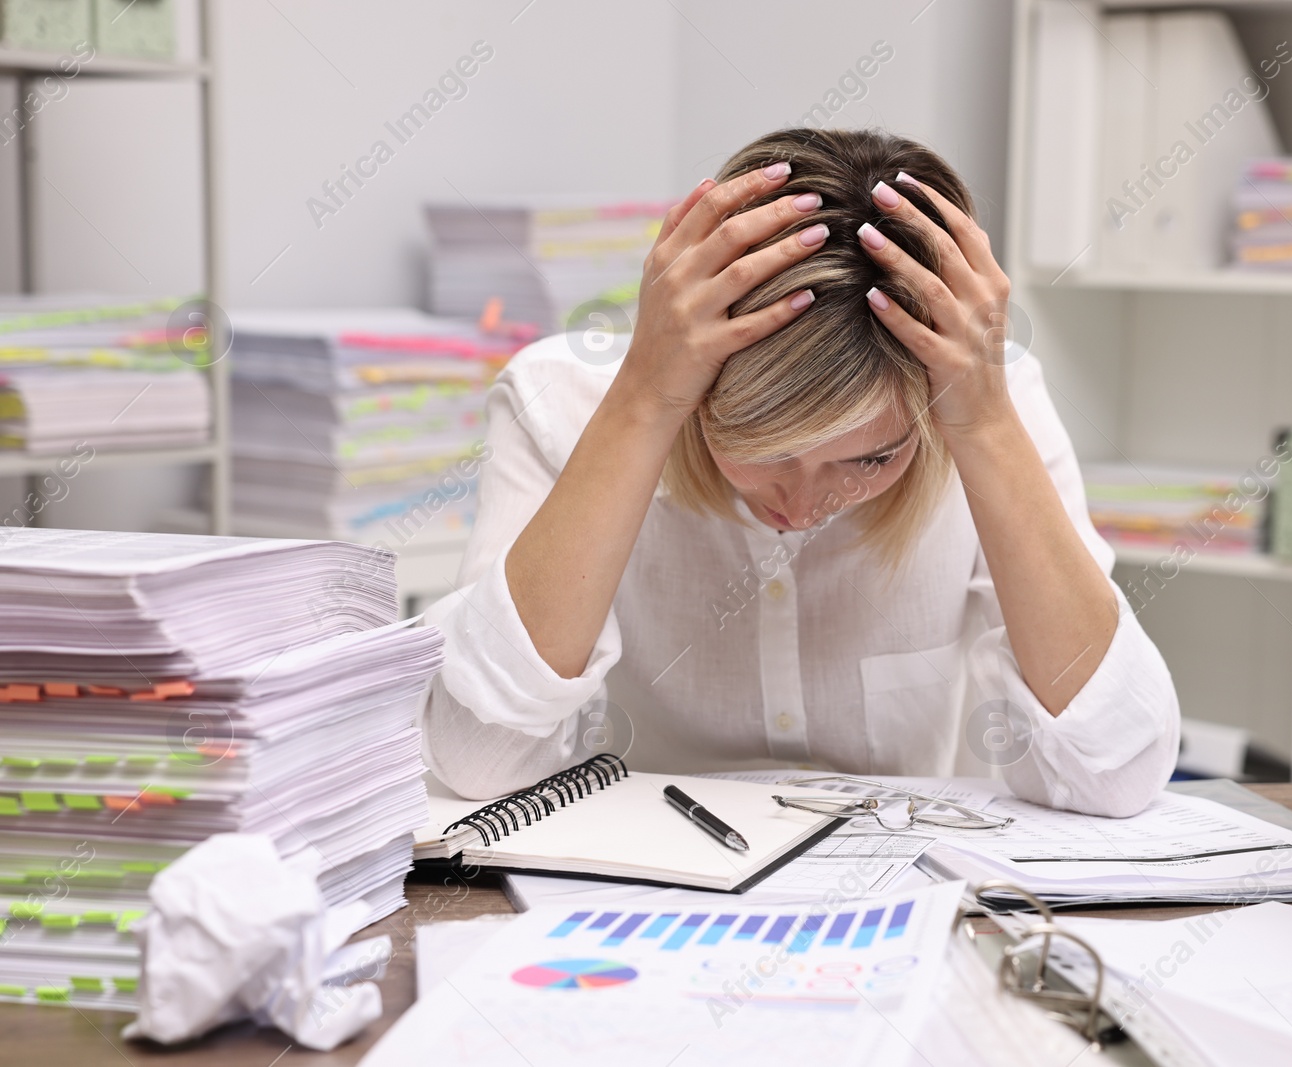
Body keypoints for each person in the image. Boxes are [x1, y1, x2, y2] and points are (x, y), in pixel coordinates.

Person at [421, 128, 1179, 816]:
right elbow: (482, 761)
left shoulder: (987, 407)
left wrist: (982, 427)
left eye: (872, 457)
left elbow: (1116, 775)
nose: (805, 503)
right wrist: (647, 400)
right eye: (763, 447)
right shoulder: (559, 404)